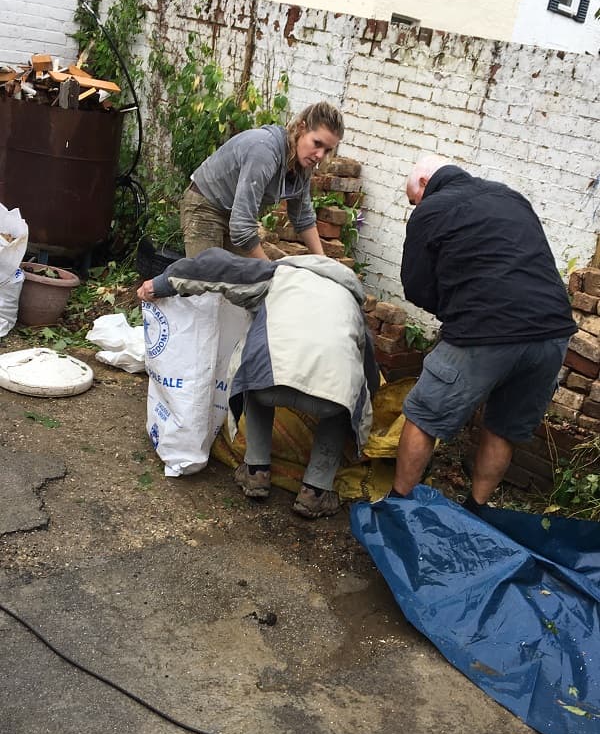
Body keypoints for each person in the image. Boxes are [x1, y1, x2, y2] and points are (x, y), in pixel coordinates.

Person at [391, 155, 577, 512]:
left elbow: (415, 287)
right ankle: (475, 510)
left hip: (486, 330)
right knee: (503, 427)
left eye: (413, 199)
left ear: (425, 183)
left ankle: (397, 508)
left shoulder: (430, 211)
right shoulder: (510, 197)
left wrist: (454, 312)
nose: (415, 206)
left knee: (424, 414)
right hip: (552, 333)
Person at [137, 248, 379, 518]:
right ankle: (316, 492)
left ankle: (256, 472)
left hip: (267, 384)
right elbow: (368, 374)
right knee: (341, 400)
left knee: (255, 378)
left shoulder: (278, 274)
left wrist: (161, 284)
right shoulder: (351, 303)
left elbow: (217, 267)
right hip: (329, 398)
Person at [180, 101, 344, 259]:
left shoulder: (302, 164)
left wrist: (323, 262)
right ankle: (156, 286)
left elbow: (303, 217)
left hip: (235, 215)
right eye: (317, 143)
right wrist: (270, 270)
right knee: (204, 281)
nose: (320, 155)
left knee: (251, 280)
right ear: (301, 128)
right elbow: (242, 228)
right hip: (206, 207)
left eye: (327, 150)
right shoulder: (265, 151)